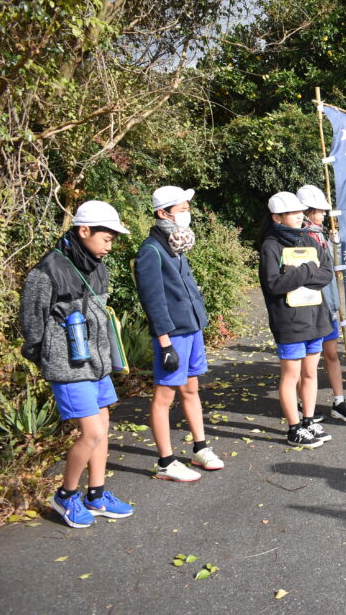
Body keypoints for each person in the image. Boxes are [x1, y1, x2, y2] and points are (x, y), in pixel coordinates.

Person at [20, 201, 135, 527]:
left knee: (103, 426)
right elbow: (31, 324)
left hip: (96, 364)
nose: (110, 247)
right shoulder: (47, 271)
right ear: (84, 231)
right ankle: (66, 495)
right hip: (67, 368)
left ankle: (96, 495)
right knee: (92, 431)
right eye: (107, 239)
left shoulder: (98, 266)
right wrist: (49, 356)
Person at [134, 186, 221, 483]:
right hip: (172, 335)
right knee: (163, 396)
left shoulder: (177, 245)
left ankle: (199, 447)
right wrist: (164, 342)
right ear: (163, 213)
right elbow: (153, 300)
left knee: (191, 390)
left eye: (187, 208)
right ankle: (166, 462)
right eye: (182, 209)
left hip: (192, 329)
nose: (187, 214)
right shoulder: (151, 251)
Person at [259, 191, 337, 449]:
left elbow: (326, 273)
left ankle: (308, 420)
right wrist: (307, 270)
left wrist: (298, 273)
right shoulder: (271, 245)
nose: (299, 216)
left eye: (300, 211)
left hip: (316, 317)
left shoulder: (309, 238)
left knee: (310, 372)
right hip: (289, 320)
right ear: (276, 217)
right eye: (292, 212)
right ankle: (294, 428)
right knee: (291, 374)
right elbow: (274, 284)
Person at [297, 185, 346, 424]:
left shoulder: (322, 235)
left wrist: (336, 246)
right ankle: (304, 405)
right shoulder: (299, 237)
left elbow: (335, 269)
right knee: (307, 361)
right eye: (319, 211)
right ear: (306, 211)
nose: (323, 215)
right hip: (308, 309)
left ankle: (339, 401)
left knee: (332, 354)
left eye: (324, 211)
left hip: (329, 306)